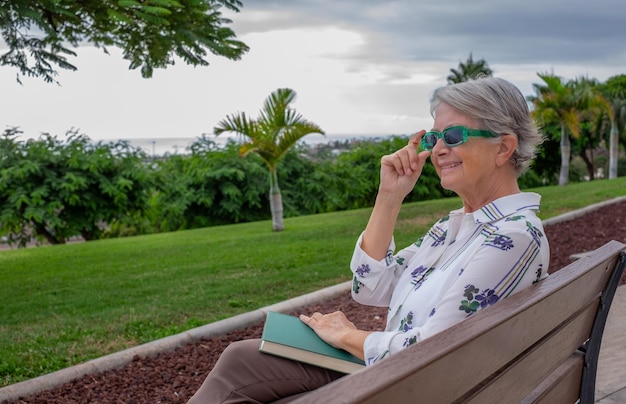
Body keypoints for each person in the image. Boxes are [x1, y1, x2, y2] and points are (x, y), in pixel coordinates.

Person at [187, 76, 550, 403]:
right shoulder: (454, 227)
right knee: (243, 359)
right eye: (433, 137)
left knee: (245, 372)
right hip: (404, 373)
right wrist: (389, 196)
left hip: (417, 385)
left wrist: (346, 336)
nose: (438, 149)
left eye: (453, 136)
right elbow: (370, 287)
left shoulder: (513, 237)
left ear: (503, 149)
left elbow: (435, 349)